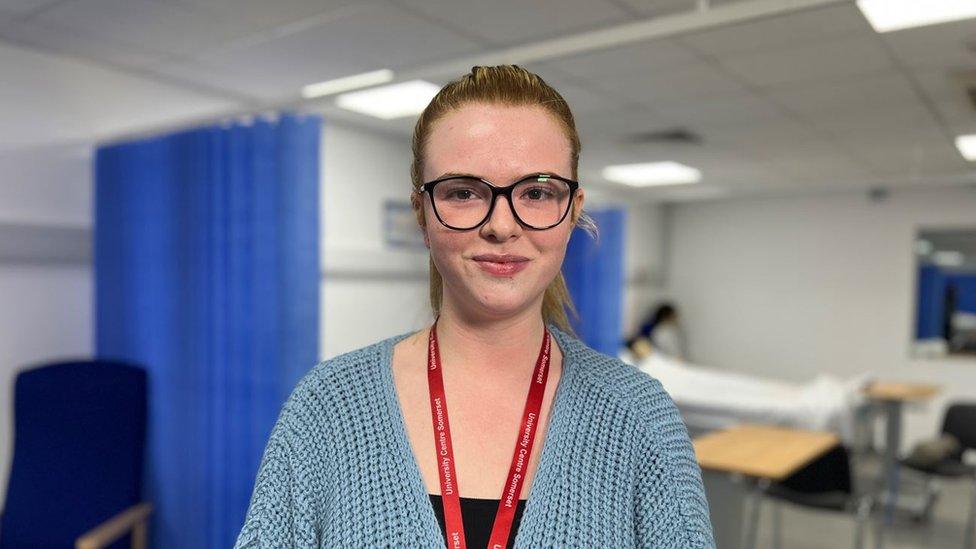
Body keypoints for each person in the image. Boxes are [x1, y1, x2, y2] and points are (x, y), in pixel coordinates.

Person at [234, 66, 714, 548]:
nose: (502, 226)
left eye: (538, 192)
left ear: (572, 211)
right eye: (464, 192)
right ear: (422, 214)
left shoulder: (641, 417)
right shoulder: (326, 409)